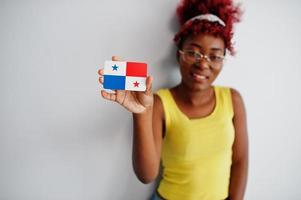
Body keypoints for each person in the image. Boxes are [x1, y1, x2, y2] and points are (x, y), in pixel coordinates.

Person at [98, 0, 248, 199]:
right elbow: (147, 174)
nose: (203, 64)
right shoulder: (160, 102)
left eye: (215, 56)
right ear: (179, 54)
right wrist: (141, 112)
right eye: (193, 53)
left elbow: (240, 161)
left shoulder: (233, 100)